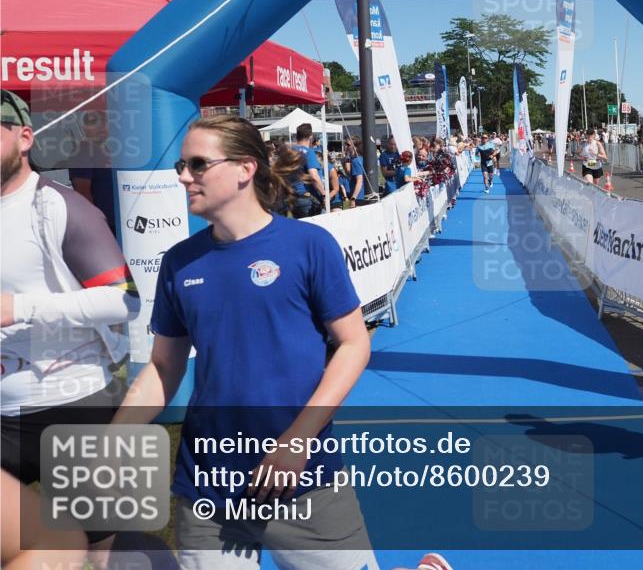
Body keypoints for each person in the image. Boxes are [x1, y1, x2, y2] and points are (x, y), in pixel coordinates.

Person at [112, 115, 378, 570]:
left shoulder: (308, 245)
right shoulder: (179, 262)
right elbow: (163, 367)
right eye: (182, 164)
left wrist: (297, 441)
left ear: (244, 169)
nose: (182, 176)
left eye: (197, 164)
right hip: (208, 488)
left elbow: (354, 345)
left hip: (305, 481)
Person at [1, 89, 140, 552]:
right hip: (4, 411)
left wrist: (20, 309)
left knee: (105, 549)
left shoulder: (58, 205)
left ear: (24, 138)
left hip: (75, 402)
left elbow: (125, 302)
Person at [67, 109, 117, 235]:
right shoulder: (83, 152)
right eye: (94, 122)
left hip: (120, 224)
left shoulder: (108, 150)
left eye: (104, 121)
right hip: (104, 228)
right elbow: (82, 192)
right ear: (84, 127)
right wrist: (96, 226)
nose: (100, 127)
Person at [292, 124, 326, 215]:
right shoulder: (308, 152)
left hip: (291, 197)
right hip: (307, 197)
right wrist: (324, 194)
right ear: (310, 137)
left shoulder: (289, 151)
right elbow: (314, 176)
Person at [343, 137, 366, 203]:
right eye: (345, 144)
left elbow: (359, 181)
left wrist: (353, 198)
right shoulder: (359, 158)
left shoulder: (356, 161)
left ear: (355, 146)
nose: (345, 146)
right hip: (358, 194)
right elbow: (350, 174)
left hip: (358, 196)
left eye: (348, 144)